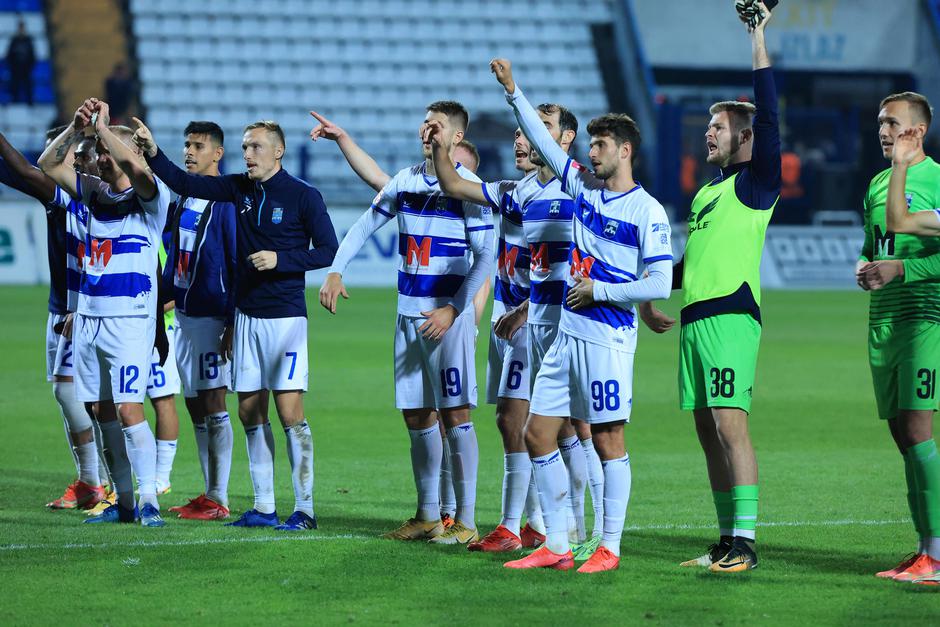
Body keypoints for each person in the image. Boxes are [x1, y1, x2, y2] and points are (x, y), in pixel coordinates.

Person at [491, 58, 673, 573]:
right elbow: (544, 142)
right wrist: (513, 91)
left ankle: (610, 547)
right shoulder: (583, 191)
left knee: (609, 438)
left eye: (601, 145)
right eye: (589, 145)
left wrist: (601, 289)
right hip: (567, 336)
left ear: (625, 150)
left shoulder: (647, 211)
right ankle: (557, 542)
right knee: (537, 433)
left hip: (607, 339)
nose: (592, 152)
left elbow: (660, 282)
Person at [135, 116, 337, 531]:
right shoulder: (237, 189)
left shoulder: (304, 196)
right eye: (245, 147)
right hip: (245, 317)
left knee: (289, 412)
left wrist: (282, 260)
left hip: (284, 319)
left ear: (278, 151)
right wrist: (153, 152)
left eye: (256, 147)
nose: (248, 154)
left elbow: (328, 250)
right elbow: (186, 183)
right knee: (248, 410)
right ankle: (264, 506)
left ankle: (305, 509)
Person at [308, 111, 501, 533]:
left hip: (446, 317)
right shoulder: (405, 180)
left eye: (438, 123)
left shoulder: (469, 187)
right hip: (407, 314)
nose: (427, 128)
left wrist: (455, 308)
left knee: (456, 415)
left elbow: (485, 256)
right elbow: (364, 224)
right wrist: (336, 270)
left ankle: (466, 520)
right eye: (424, 121)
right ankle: (428, 516)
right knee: (416, 417)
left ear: (457, 135)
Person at [430, 106, 608, 557]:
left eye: (539, 128)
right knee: (562, 426)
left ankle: (530, 525)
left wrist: (527, 310)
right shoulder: (518, 189)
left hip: (546, 320)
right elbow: (454, 184)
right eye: (521, 129)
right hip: (512, 317)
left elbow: (577, 266)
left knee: (526, 421)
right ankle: (551, 523)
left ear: (564, 138)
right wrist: (439, 148)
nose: (522, 136)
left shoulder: (578, 190)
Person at [641, 3, 779, 573]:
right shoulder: (706, 194)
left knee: (729, 424)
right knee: (706, 430)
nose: (708, 132)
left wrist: (757, 38)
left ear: (744, 136)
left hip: (730, 317)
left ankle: (745, 542)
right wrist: (649, 293)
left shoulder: (756, 183)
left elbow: (770, 115)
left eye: (717, 127)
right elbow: (687, 265)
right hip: (695, 320)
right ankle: (726, 538)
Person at [39, 99, 172, 527]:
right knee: (101, 412)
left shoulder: (152, 198)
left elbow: (138, 170)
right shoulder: (94, 194)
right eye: (99, 150)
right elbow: (47, 164)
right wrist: (78, 131)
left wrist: (106, 132)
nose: (101, 155)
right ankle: (126, 502)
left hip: (130, 321)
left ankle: (150, 499)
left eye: (108, 149)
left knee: (132, 409)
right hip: (89, 318)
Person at [852, 94, 940, 585]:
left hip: (927, 317)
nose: (882, 130)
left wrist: (901, 269)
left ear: (918, 131)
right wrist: (864, 270)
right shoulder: (879, 183)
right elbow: (872, 247)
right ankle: (925, 547)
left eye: (892, 122)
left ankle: (938, 555)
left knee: (917, 430)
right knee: (901, 436)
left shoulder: (938, 179)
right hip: (883, 321)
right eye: (878, 121)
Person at [0, 127, 107, 510]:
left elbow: (27, 173)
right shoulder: (58, 197)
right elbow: (19, 172)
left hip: (89, 308)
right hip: (59, 306)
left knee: (75, 393)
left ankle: (100, 481)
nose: (73, 161)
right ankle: (91, 481)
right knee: (70, 398)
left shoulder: (91, 199)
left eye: (78, 155)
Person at [159, 121, 237, 521]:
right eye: (186, 144)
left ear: (217, 153)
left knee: (213, 400)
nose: (189, 151)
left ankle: (219, 497)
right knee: (193, 403)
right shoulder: (185, 197)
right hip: (186, 314)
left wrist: (231, 320)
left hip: (212, 315)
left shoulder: (225, 201)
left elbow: (235, 262)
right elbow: (175, 255)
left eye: (198, 145)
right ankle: (209, 492)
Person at [6, 18, 35, 105]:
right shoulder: (14, 40)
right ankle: (14, 103)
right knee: (14, 85)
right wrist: (12, 66)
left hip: (26, 69)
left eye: (22, 27)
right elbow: (9, 55)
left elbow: (32, 56)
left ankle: (30, 103)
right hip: (15, 69)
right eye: (20, 27)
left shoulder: (28, 40)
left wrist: (29, 66)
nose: (21, 29)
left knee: (28, 86)